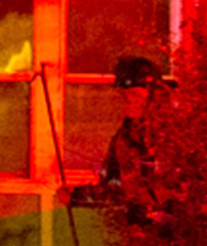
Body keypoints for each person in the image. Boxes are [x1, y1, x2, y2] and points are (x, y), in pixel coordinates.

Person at [70, 56, 176, 227]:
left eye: (135, 94)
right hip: (137, 233)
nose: (129, 101)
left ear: (155, 93)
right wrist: (81, 195)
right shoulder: (123, 140)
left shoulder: (177, 135)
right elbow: (113, 187)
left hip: (175, 235)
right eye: (123, 95)